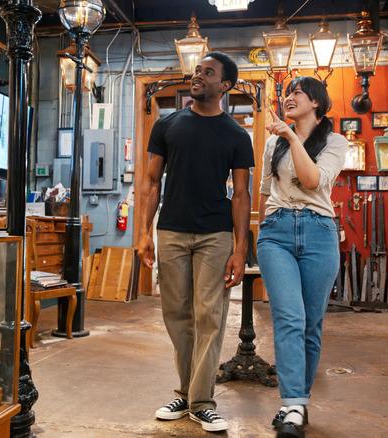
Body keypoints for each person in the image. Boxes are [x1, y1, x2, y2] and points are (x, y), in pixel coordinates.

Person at [139, 51, 254, 433]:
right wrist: (143, 232)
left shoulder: (237, 135)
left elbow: (241, 195)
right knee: (176, 315)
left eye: (209, 72)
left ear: (225, 85)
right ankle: (187, 392)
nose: (198, 75)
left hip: (215, 235)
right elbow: (152, 182)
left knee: (210, 315)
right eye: (197, 70)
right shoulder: (167, 125)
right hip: (170, 229)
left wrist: (240, 248)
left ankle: (202, 401)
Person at [257, 76, 348, 438]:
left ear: (316, 102)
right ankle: (291, 404)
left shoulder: (336, 142)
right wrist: (262, 233)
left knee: (311, 324)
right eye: (287, 93)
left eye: (297, 92)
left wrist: (292, 137)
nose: (288, 97)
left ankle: (300, 403)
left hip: (319, 234)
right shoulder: (271, 144)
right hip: (277, 233)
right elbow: (265, 191)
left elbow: (312, 181)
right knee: (289, 318)